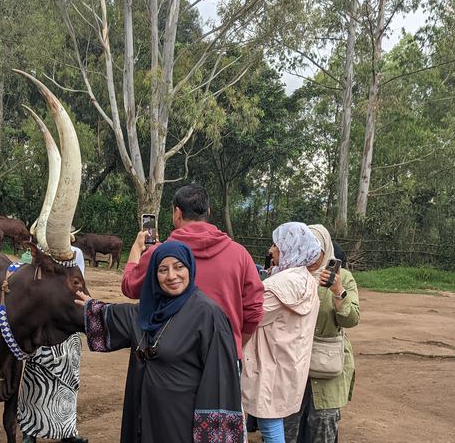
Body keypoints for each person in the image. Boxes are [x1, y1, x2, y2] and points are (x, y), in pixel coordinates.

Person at [77, 241, 246, 443]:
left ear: (190, 268)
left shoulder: (208, 315)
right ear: (154, 276)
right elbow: (117, 315)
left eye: (179, 267)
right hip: (144, 413)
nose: (172, 276)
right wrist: (89, 306)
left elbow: (221, 381)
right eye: (163, 270)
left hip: (181, 422)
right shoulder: (148, 311)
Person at [121, 184, 264, 354]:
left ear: (177, 213)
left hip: (172, 358)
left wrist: (137, 248)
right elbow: (254, 310)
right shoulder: (241, 255)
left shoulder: (159, 254)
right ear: (208, 212)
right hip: (223, 355)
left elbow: (129, 287)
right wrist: (234, 346)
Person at [241, 222, 322, 443]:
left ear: (291, 248)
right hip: (287, 361)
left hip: (268, 362)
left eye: (276, 245)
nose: (271, 250)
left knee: (269, 423)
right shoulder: (307, 280)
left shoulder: (278, 286)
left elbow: (250, 316)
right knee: (271, 420)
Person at [283, 225, 360, 443]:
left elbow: (351, 319)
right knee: (286, 429)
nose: (311, 253)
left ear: (326, 248)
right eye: (306, 246)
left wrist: (338, 292)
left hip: (327, 367)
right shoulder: (290, 275)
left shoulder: (342, 276)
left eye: (316, 247)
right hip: (292, 364)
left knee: (323, 427)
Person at [18, 243, 89, 443]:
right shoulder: (40, 252)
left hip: (66, 317)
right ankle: (29, 431)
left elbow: (78, 284)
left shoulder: (76, 253)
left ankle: (67, 431)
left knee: (67, 380)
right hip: (42, 319)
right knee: (35, 376)